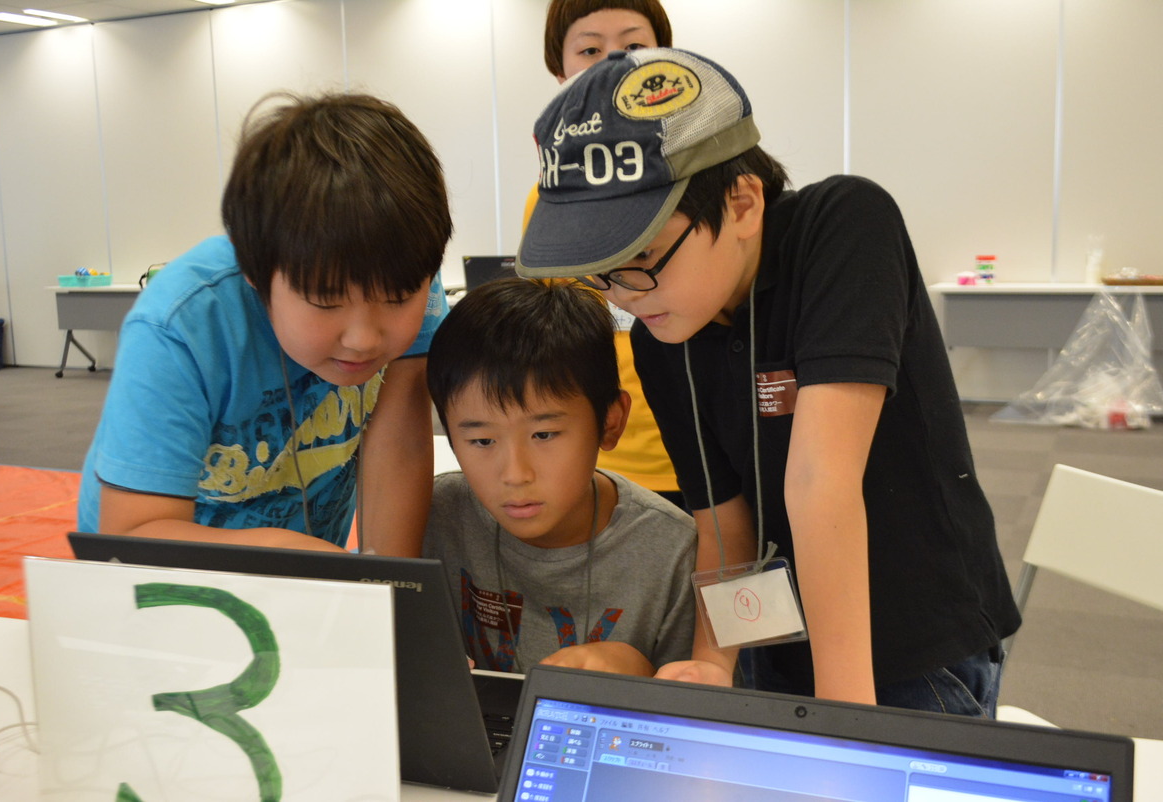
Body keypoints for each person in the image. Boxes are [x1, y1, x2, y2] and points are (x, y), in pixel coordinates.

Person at [515, 48, 1021, 715]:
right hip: (780, 646)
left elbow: (819, 481)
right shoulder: (664, 338)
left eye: (643, 257)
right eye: (601, 271)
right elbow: (725, 523)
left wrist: (845, 717)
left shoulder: (844, 227)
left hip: (912, 646)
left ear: (743, 202)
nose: (624, 294)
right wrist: (712, 659)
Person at [77, 92, 451, 555]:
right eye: (325, 301)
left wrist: (387, 584)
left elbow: (399, 450)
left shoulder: (407, 269)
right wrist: (298, 560)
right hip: (159, 578)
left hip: (302, 569)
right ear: (255, 271)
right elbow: (132, 536)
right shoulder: (180, 327)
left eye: (396, 299)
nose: (363, 339)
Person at [423, 278, 697, 676]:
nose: (515, 474)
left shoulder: (672, 553)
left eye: (544, 435)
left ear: (610, 422)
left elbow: (705, 703)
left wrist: (639, 672)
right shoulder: (431, 518)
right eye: (482, 440)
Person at [524, 0, 686, 510]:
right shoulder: (549, 203)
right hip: (596, 454)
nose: (615, 62)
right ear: (561, 74)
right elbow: (548, 338)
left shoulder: (699, 181)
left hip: (704, 448)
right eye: (590, 50)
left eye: (634, 45)